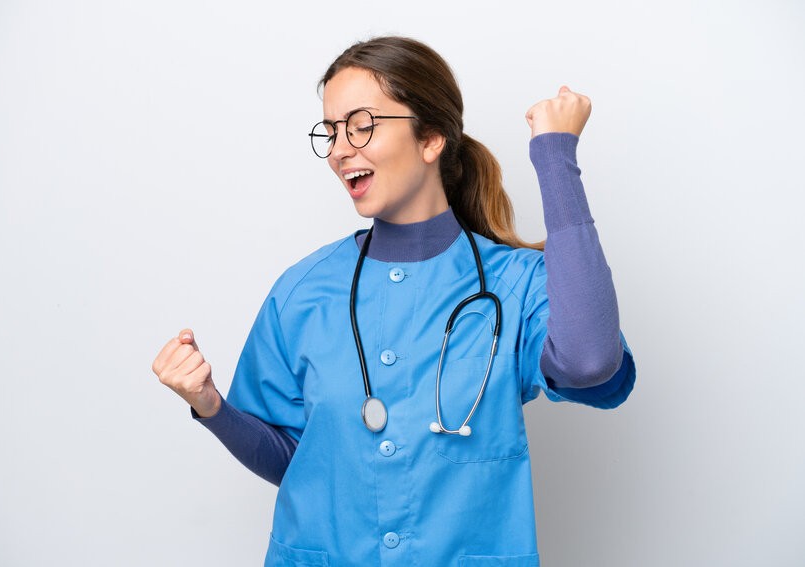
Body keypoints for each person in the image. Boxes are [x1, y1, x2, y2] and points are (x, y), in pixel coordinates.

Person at [152, 36, 635, 566]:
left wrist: (554, 155)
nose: (339, 149)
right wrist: (210, 406)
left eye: (361, 125)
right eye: (331, 131)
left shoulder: (515, 285)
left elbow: (591, 361)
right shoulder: (303, 290)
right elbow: (297, 459)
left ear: (430, 138)